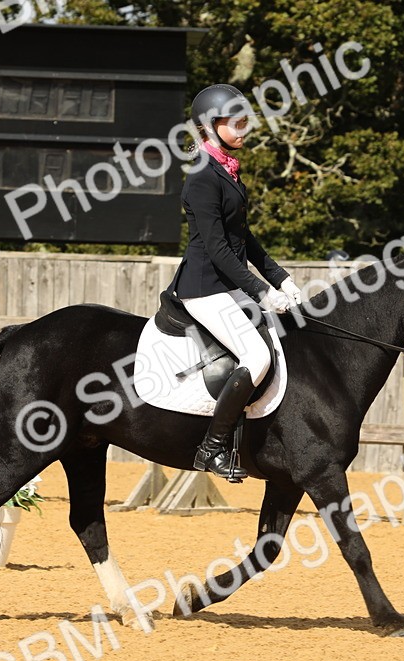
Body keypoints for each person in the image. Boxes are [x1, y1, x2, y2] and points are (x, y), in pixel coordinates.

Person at [167, 83, 304, 482]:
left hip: (226, 284)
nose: (245, 129)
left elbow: (244, 239)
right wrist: (262, 292)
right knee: (258, 358)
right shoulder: (202, 177)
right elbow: (217, 250)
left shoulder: (226, 169)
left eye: (246, 121)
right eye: (237, 122)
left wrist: (282, 277)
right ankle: (212, 448)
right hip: (203, 288)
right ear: (211, 125)